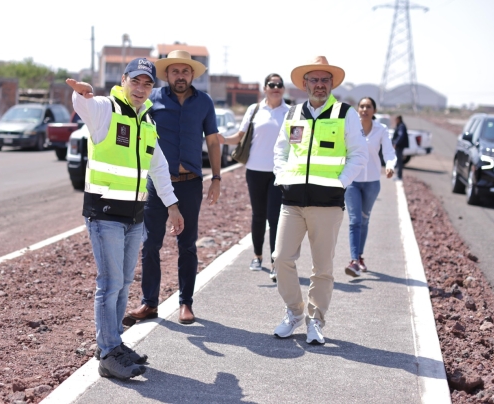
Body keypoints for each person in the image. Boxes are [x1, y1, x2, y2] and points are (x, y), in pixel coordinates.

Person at [65, 57, 184, 380]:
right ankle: (107, 353)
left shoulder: (147, 121)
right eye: (136, 81)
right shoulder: (106, 109)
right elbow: (84, 105)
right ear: (124, 80)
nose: (141, 88)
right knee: (110, 283)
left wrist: (172, 206)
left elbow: (157, 167)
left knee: (124, 284)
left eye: (148, 84)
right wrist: (83, 94)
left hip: (134, 215)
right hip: (104, 213)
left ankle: (113, 343)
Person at [272, 56, 368, 344]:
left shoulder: (345, 114)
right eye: (314, 80)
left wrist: (340, 183)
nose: (319, 85)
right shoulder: (292, 114)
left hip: (327, 204)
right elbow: (281, 151)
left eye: (325, 80)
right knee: (280, 259)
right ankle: (294, 312)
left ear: (332, 84)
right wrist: (281, 176)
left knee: (322, 268)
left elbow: (359, 155)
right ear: (304, 84)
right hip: (292, 202)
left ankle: (316, 320)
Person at [125, 50, 221, 325]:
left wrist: (216, 178)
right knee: (150, 243)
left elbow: (213, 141)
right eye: (175, 71)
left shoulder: (204, 102)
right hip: (156, 184)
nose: (181, 76)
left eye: (186, 71)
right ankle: (149, 303)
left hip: (190, 184)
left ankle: (186, 303)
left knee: (187, 245)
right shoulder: (151, 100)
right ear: (166, 74)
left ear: (192, 74)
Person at [217, 73, 289, 280]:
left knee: (276, 218)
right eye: (272, 84)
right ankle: (257, 257)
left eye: (279, 85)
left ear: (283, 89)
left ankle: (276, 262)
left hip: (279, 172)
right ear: (265, 88)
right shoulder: (254, 110)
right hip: (255, 170)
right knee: (258, 216)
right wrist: (221, 138)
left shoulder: (290, 112)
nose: (276, 87)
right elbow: (240, 137)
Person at [344, 97, 396, 277]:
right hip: (352, 181)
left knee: (364, 220)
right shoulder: (350, 127)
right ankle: (354, 261)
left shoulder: (381, 129)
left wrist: (390, 164)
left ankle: (359, 255)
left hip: (373, 182)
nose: (364, 109)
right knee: (354, 220)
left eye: (368, 106)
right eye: (362, 106)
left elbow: (389, 151)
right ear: (357, 109)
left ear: (374, 110)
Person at [392, 115, 410, 180]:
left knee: (399, 161)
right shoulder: (400, 125)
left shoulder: (401, 126)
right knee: (398, 161)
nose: (395, 121)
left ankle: (399, 176)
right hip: (399, 146)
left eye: (396, 119)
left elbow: (401, 136)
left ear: (399, 119)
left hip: (399, 146)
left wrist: (396, 143)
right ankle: (398, 176)